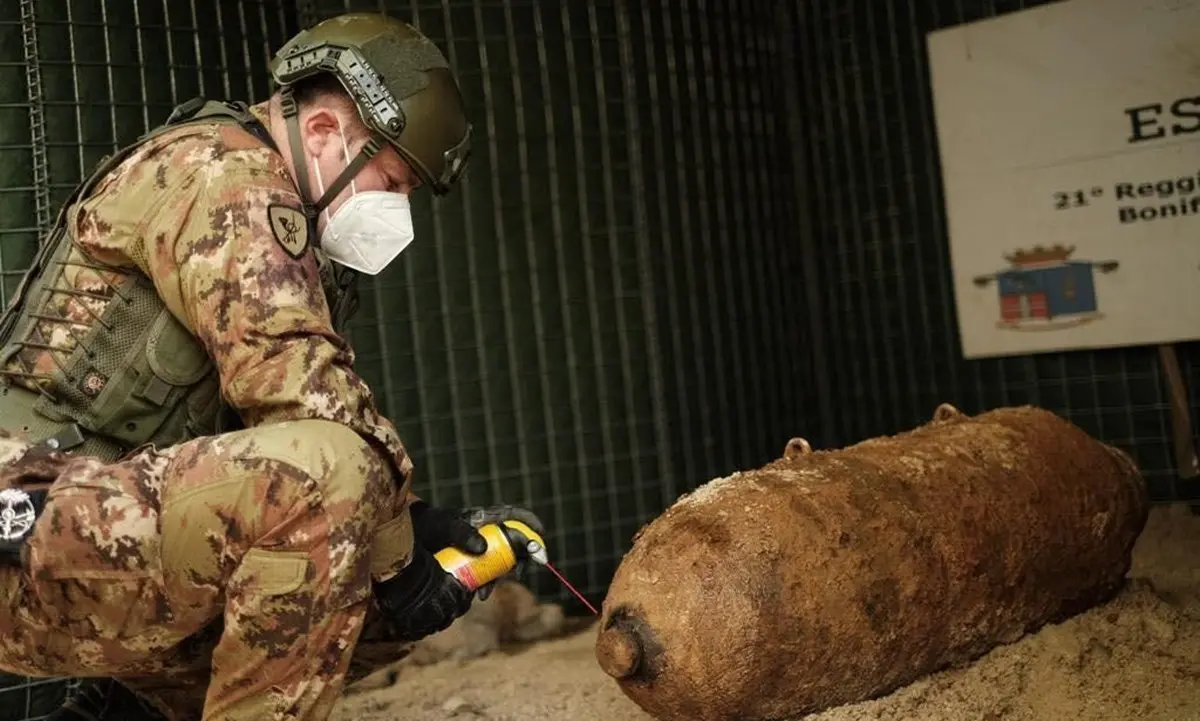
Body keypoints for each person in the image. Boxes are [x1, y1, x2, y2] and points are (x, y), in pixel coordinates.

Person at [0, 12, 543, 721]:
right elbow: (302, 392)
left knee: (371, 594)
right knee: (331, 487)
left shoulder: (274, 208)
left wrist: (420, 533)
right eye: (392, 180)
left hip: (93, 529)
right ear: (322, 133)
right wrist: (402, 549)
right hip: (24, 525)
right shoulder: (226, 174)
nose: (397, 210)